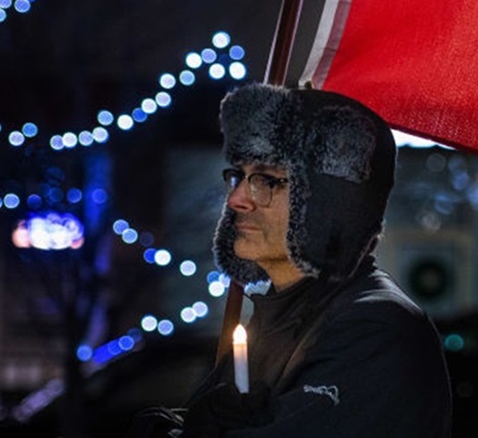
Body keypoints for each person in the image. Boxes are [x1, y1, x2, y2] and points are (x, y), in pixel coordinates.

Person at [131, 83, 452, 437]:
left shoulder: (376, 330)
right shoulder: (278, 318)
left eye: (266, 180)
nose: (237, 198)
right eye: (239, 175)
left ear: (330, 203)